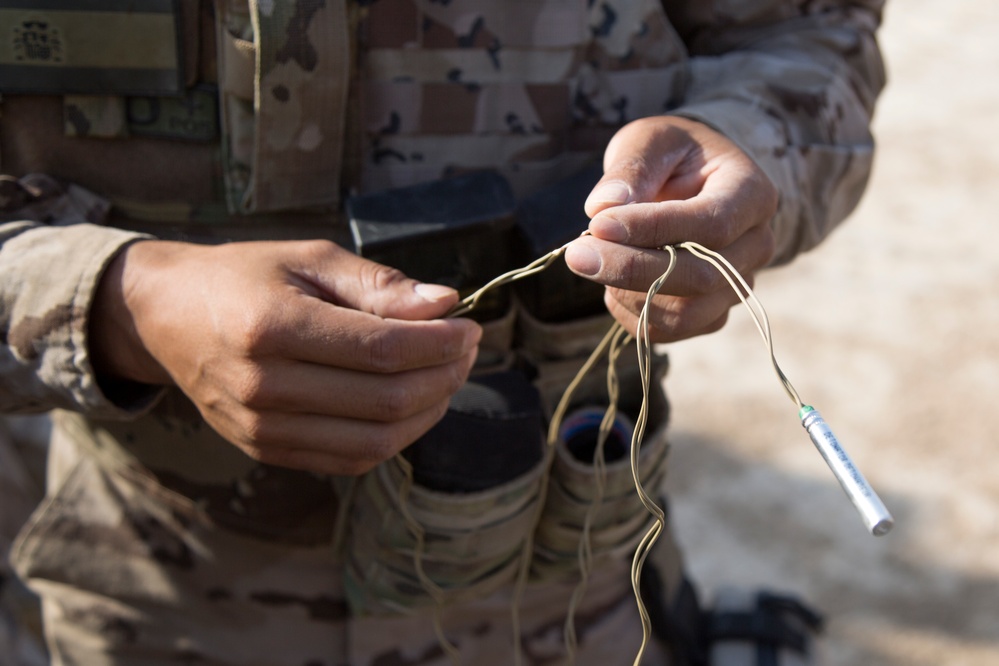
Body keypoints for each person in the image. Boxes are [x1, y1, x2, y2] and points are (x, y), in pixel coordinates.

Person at [0, 1, 885, 664]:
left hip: (571, 595)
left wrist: (747, 148)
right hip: (154, 602)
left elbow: (805, 37)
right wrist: (118, 303)